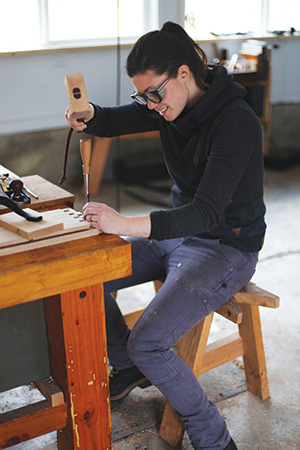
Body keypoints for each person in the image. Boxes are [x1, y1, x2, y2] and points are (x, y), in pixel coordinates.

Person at [65, 21, 266, 450]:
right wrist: (92, 116)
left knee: (151, 343)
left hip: (225, 245)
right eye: (143, 96)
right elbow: (121, 117)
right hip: (180, 231)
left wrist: (125, 225)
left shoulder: (236, 123)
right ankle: (125, 362)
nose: (150, 105)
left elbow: (207, 212)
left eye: (154, 94)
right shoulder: (169, 102)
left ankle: (213, 438)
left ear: (183, 74)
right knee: (84, 277)